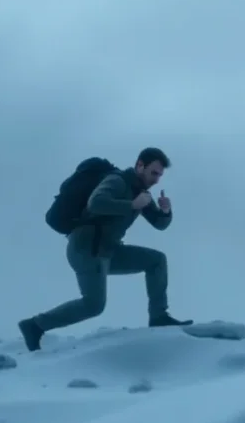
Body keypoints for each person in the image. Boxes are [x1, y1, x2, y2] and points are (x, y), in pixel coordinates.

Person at [18, 147, 193, 351]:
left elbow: (159, 224)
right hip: (86, 248)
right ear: (140, 166)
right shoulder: (117, 181)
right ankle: (35, 325)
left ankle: (159, 317)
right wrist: (131, 205)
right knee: (93, 305)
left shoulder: (140, 192)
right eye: (154, 173)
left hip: (109, 250)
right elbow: (96, 203)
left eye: (160, 175)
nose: (156, 180)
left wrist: (166, 211)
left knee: (156, 261)